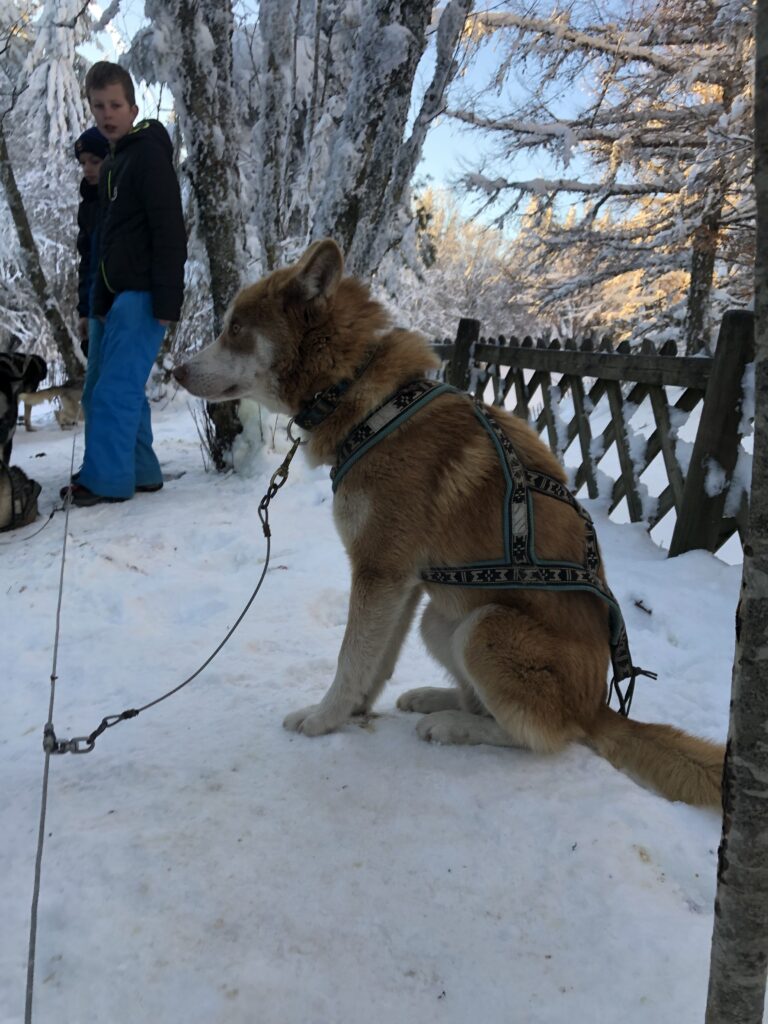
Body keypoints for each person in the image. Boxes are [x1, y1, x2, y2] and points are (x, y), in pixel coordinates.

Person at [63, 61, 187, 508]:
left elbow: (169, 228)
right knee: (110, 387)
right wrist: (95, 305)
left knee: (113, 390)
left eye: (115, 105)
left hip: (144, 294)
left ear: (133, 109)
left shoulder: (147, 155)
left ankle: (107, 480)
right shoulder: (115, 162)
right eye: (99, 106)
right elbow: (104, 248)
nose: (107, 114)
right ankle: (139, 469)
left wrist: (168, 301)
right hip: (114, 297)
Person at [74, 126, 109, 359]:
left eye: (95, 161)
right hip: (95, 307)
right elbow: (87, 263)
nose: (87, 168)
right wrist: (84, 312)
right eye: (83, 163)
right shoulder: (87, 206)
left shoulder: (122, 199)